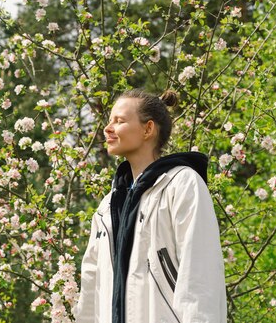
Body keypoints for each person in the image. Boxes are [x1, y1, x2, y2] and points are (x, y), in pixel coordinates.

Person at [74, 89, 227, 323]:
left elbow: (200, 275)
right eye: (109, 120)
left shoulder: (181, 184)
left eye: (120, 121)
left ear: (148, 129)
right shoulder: (108, 206)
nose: (108, 128)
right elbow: (91, 287)